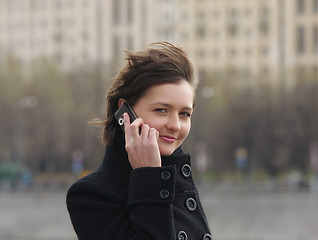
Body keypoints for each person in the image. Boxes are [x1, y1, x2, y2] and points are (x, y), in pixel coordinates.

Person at [66, 42, 212, 240]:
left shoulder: (179, 183)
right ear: (126, 113)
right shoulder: (90, 196)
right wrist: (149, 178)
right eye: (162, 110)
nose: (176, 125)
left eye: (185, 114)